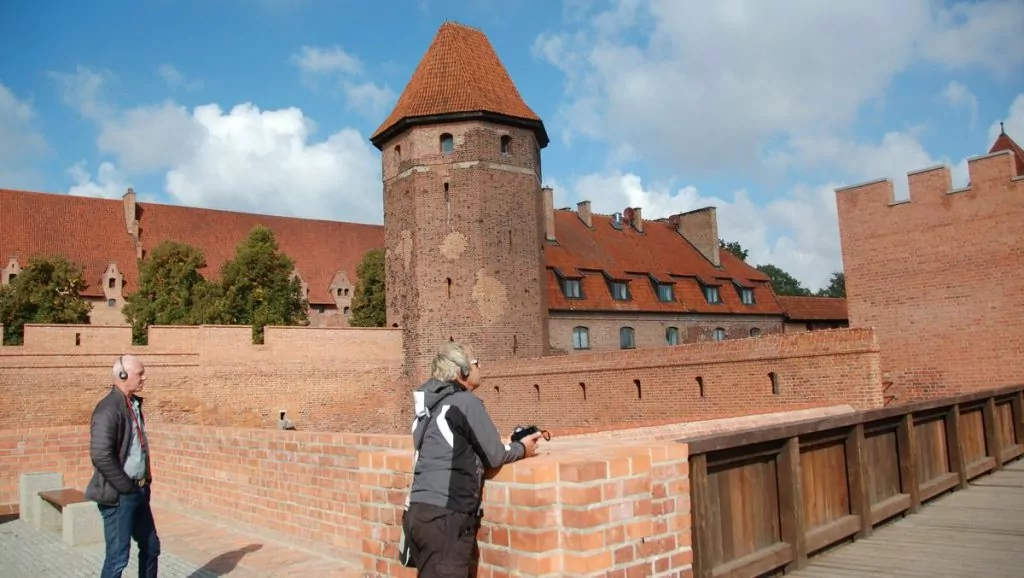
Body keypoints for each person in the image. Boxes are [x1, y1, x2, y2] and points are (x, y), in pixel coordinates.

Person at [404, 341, 543, 577]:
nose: (479, 367)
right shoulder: (464, 402)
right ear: (462, 371)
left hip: (418, 514)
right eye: (476, 363)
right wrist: (522, 448)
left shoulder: (429, 406)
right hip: (445, 517)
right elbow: (495, 455)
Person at [84, 354, 160, 578]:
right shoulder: (108, 409)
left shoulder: (132, 404)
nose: (144, 377)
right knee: (118, 557)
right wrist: (125, 487)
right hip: (119, 494)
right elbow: (100, 454)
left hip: (138, 490)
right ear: (123, 375)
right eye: (140, 373)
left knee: (151, 547)